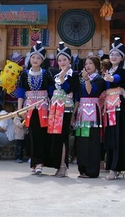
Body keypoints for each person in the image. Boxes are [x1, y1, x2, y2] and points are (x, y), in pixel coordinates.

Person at [16, 41, 53, 175]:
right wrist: (20, 110)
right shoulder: (24, 74)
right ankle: (33, 162)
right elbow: (20, 92)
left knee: (42, 135)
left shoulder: (46, 73)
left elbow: (51, 92)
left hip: (43, 107)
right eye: (33, 57)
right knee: (31, 134)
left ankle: (40, 163)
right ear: (29, 59)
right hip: (29, 107)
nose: (35, 60)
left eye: (38, 58)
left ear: (42, 60)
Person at [46, 42, 79, 177]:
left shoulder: (74, 74)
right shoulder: (55, 74)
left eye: (64, 59)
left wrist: (62, 80)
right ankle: (57, 165)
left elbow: (70, 90)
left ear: (70, 60)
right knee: (55, 137)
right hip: (55, 109)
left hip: (66, 109)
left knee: (63, 136)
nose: (62, 62)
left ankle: (63, 166)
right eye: (59, 60)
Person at [102, 38, 125, 181]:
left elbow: (117, 78)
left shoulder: (122, 71)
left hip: (118, 104)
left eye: (117, 55)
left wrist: (110, 79)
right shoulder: (107, 71)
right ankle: (112, 165)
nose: (113, 57)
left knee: (118, 136)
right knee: (111, 135)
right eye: (111, 54)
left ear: (122, 57)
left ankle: (116, 167)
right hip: (108, 105)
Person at [75, 56, 105, 178]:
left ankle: (91, 170)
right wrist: (74, 113)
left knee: (91, 140)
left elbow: (90, 92)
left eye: (90, 63)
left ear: (96, 66)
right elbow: (78, 97)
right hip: (82, 110)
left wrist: (87, 80)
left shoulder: (99, 80)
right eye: (86, 64)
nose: (87, 66)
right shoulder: (81, 79)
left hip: (92, 110)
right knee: (81, 139)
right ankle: (82, 168)